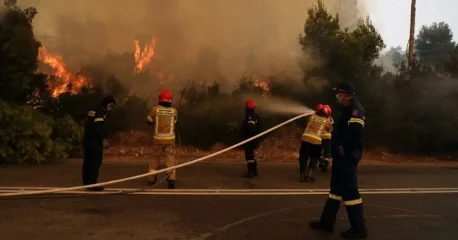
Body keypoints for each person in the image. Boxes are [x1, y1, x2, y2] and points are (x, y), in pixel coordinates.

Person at [310, 83, 367, 238]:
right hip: (341, 156)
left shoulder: (355, 108)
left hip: (348, 156)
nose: (337, 97)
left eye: (338, 94)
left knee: (350, 192)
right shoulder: (347, 108)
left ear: (344, 94)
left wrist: (345, 147)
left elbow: (356, 132)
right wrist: (331, 129)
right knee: (335, 190)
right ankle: (326, 223)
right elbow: (344, 130)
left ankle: (359, 229)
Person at [82, 95, 116, 191]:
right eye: (110, 106)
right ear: (106, 103)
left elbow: (88, 123)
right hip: (94, 141)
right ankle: (92, 184)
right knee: (95, 162)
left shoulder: (93, 109)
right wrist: (103, 139)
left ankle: (86, 183)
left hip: (87, 139)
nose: (110, 108)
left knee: (87, 161)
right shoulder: (100, 111)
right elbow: (99, 127)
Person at [146, 88, 178, 189]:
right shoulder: (174, 111)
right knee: (170, 159)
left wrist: (150, 122)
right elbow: (175, 121)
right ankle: (171, 179)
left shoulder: (156, 109)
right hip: (170, 141)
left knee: (154, 159)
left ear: (160, 98)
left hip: (158, 140)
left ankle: (151, 179)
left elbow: (149, 119)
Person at [299, 104, 332, 182]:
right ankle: (310, 173)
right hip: (316, 141)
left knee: (304, 157)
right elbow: (330, 128)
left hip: (305, 139)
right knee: (314, 157)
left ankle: (302, 174)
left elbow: (308, 122)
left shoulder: (311, 116)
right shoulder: (326, 120)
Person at [241, 100, 261, 178]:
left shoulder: (251, 117)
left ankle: (250, 172)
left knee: (249, 156)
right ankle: (254, 171)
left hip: (251, 139)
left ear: (248, 108)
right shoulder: (254, 116)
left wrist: (245, 132)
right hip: (252, 139)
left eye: (246, 107)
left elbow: (250, 128)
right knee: (251, 155)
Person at [319, 104, 333, 172]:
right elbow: (331, 128)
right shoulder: (329, 118)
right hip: (327, 137)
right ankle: (326, 163)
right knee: (327, 151)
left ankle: (321, 161)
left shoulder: (319, 117)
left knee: (320, 149)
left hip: (320, 137)